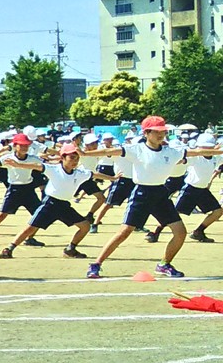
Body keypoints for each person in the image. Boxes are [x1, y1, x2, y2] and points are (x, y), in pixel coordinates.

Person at [80, 114, 217, 279]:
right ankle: (96, 264)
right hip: (142, 194)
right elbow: (108, 151)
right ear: (146, 133)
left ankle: (164, 264)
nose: (161, 134)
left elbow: (198, 151)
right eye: (156, 131)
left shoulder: (171, 151)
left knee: (180, 232)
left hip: (161, 194)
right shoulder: (137, 149)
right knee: (124, 232)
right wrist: (84, 154)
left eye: (163, 131)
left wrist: (220, 150)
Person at [0, 143, 111, 259]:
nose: (75, 161)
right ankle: (9, 249)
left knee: (85, 226)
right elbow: (37, 166)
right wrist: (18, 164)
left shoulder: (80, 173)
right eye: (71, 157)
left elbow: (94, 174)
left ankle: (70, 249)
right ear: (62, 158)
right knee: (30, 228)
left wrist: (113, 178)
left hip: (64, 206)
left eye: (77, 158)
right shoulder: (54, 169)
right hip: (50, 204)